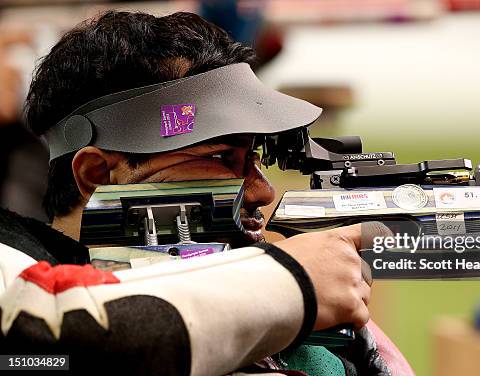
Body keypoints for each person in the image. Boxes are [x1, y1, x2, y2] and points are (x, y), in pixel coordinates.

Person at [0, 11, 412, 375]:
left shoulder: (305, 336)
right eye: (220, 156)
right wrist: (290, 284)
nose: (261, 192)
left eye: (253, 159)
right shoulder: (12, 275)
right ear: (97, 173)